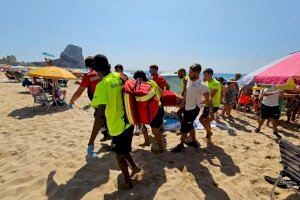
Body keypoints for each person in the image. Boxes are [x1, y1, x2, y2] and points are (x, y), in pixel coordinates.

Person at [89, 54, 140, 189]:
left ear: (96, 70)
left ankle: (128, 183)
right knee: (125, 149)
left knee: (119, 155)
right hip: (129, 122)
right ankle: (135, 167)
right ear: (108, 66)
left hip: (117, 127)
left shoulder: (102, 85)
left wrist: (91, 141)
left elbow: (99, 118)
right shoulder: (122, 76)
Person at [172, 64, 210, 153]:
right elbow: (186, 92)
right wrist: (182, 102)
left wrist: (202, 101)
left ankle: (181, 145)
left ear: (197, 73)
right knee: (190, 125)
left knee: (184, 127)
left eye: (191, 72)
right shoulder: (189, 80)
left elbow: (207, 97)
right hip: (187, 107)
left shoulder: (202, 84)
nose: (189, 73)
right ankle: (194, 142)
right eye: (189, 71)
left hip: (194, 109)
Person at [69, 56, 110, 141]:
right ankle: (109, 135)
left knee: (98, 117)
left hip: (98, 101)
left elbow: (79, 92)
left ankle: (106, 134)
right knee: (108, 117)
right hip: (110, 99)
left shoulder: (89, 75)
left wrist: (71, 101)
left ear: (87, 65)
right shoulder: (106, 73)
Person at [133, 70, 165, 153]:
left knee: (154, 129)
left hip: (154, 110)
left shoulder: (140, 86)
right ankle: (147, 142)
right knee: (143, 124)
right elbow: (162, 93)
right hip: (158, 107)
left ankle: (161, 149)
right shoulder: (152, 82)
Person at [200, 68, 221, 139]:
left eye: (205, 75)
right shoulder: (206, 82)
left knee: (203, 120)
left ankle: (209, 133)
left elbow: (210, 97)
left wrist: (211, 111)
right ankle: (208, 134)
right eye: (204, 75)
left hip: (213, 105)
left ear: (211, 75)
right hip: (207, 105)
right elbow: (204, 94)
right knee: (205, 120)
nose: (204, 76)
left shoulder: (216, 83)